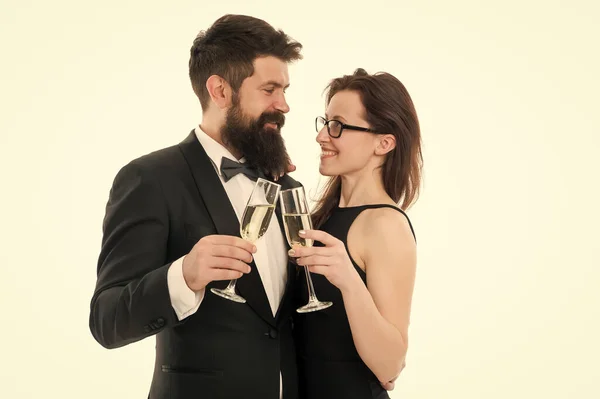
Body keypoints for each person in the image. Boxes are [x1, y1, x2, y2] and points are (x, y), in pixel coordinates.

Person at [89, 14, 304, 399]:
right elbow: (108, 320)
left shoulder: (289, 188)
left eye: (285, 90)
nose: (284, 105)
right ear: (220, 91)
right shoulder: (151, 179)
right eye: (270, 89)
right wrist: (183, 275)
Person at [289, 68, 422, 399]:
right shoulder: (321, 217)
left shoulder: (385, 225)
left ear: (384, 143)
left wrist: (349, 280)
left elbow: (390, 364)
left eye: (338, 126)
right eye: (325, 122)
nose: (322, 136)